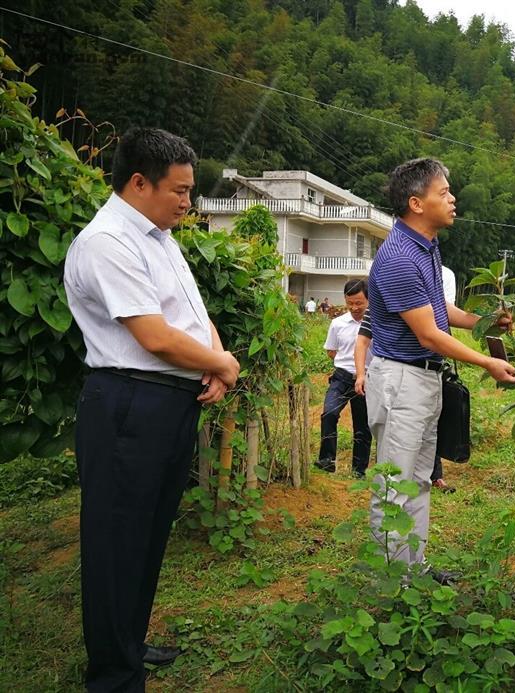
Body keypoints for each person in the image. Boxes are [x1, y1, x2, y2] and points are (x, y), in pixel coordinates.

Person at [63, 128, 240, 692]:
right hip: (128, 403)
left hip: (166, 402)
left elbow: (190, 311)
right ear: (138, 182)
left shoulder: (160, 237)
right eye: (180, 191)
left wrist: (211, 359)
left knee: (148, 533)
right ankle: (114, 676)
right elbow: (155, 336)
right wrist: (225, 364)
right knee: (117, 542)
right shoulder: (107, 242)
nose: (188, 203)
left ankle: (130, 644)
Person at [365, 157, 515, 573]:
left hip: (421, 380)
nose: (453, 199)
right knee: (394, 486)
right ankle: (391, 582)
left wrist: (480, 320)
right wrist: (487, 361)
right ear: (417, 204)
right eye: (444, 192)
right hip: (402, 379)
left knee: (417, 480)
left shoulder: (425, 246)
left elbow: (438, 309)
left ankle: (414, 570)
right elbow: (428, 335)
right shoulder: (399, 257)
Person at [355, 265, 458, 492]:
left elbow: (444, 314)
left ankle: (434, 477)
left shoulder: (433, 283)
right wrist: (360, 374)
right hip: (399, 378)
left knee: (420, 460)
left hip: (430, 375)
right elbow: (362, 341)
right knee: (396, 469)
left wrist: (481, 321)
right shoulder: (390, 291)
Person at [315, 279, 372, 477]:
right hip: (341, 377)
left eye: (359, 303)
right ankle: (326, 459)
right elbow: (331, 351)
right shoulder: (337, 324)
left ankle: (359, 470)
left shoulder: (376, 324)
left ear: (368, 299)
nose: (354, 307)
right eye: (350, 303)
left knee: (362, 426)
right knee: (329, 413)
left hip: (367, 379)